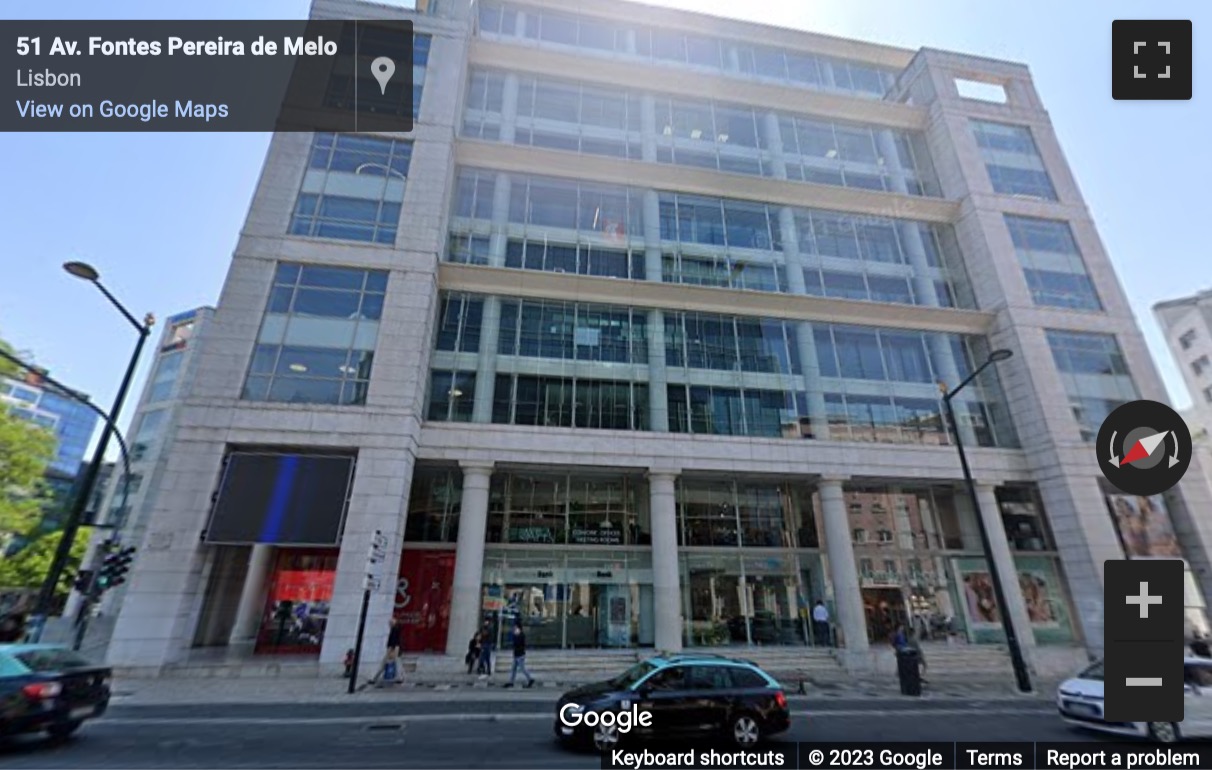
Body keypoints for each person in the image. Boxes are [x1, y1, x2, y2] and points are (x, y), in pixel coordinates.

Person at [371, 616, 402, 687]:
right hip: (394, 648)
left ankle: (375, 677)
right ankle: (399, 677)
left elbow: (394, 640)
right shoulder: (395, 629)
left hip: (392, 648)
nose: (389, 624)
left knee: (384, 662)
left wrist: (391, 649)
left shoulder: (394, 630)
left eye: (390, 623)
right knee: (396, 662)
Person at [503, 621, 534, 689]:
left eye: (515, 627)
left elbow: (518, 643)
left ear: (518, 627)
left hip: (520, 655)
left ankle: (530, 679)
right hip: (516, 654)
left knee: (522, 668)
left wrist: (515, 636)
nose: (514, 628)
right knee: (513, 669)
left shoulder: (521, 635)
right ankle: (511, 682)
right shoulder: (518, 634)